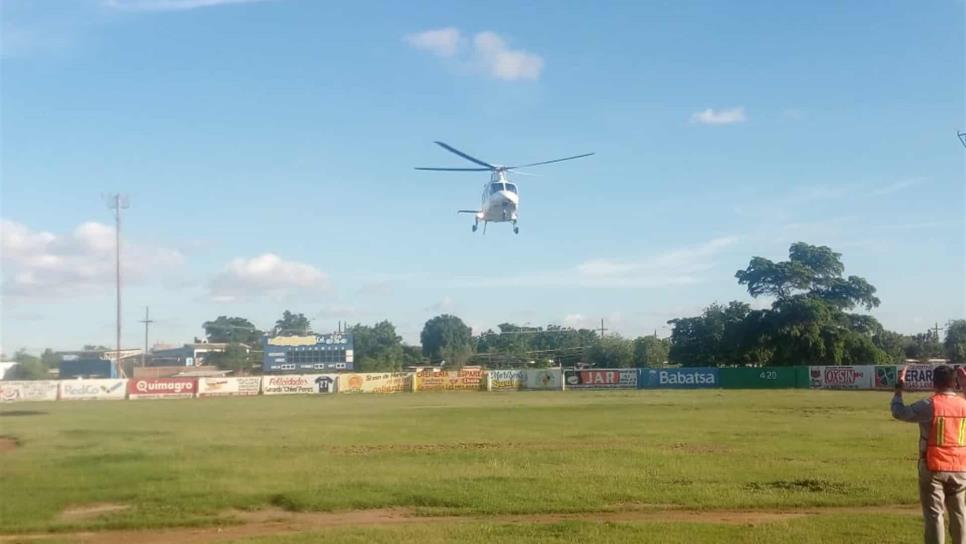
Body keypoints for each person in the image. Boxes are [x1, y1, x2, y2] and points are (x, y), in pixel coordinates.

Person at [893, 365, 966, 544]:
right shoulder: (964, 405)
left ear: (934, 383)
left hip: (933, 467)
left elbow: (899, 412)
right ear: (955, 382)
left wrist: (899, 388)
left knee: (934, 516)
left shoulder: (930, 405)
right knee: (959, 514)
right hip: (960, 468)